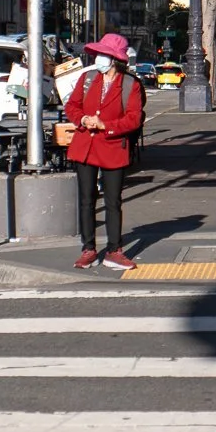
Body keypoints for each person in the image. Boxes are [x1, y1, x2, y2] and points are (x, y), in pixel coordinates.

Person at [59, 30, 146, 272]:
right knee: (86, 200)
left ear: (115, 59)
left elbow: (133, 119)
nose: (98, 57)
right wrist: (82, 119)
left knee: (113, 201)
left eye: (103, 54)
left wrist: (106, 126)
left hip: (112, 147)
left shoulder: (131, 84)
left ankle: (114, 250)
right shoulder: (87, 79)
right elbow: (72, 105)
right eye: (98, 53)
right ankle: (88, 249)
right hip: (85, 145)